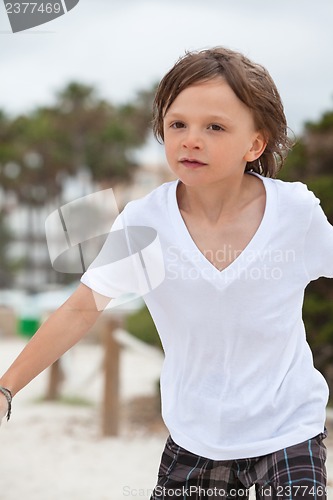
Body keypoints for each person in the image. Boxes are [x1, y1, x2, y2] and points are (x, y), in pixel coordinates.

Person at [1, 46, 332, 499]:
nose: (190, 139)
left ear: (255, 143)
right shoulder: (145, 223)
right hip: (195, 436)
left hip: (288, 428)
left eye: (214, 127)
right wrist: (6, 388)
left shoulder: (294, 213)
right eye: (178, 124)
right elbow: (82, 308)